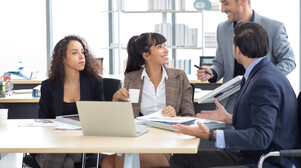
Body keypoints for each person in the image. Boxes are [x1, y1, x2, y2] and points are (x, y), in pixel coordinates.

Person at [170, 22, 301, 168]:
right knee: (181, 159)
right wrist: (229, 118)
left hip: (266, 160)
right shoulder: (260, 72)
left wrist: (210, 134)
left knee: (182, 161)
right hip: (253, 154)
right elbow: (263, 120)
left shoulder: (264, 82)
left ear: (237, 50)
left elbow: (261, 137)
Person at [197, 0, 296, 112]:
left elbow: (289, 61)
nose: (222, 9)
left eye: (226, 3)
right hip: (230, 101)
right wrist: (212, 72)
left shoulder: (274, 27)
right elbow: (220, 63)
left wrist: (264, 79)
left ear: (243, 0)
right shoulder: (222, 28)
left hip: (261, 96)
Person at [102, 32, 195, 168]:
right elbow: (122, 122)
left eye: (165, 45)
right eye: (159, 47)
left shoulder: (179, 77)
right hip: (140, 139)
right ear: (146, 55)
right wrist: (115, 101)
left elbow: (190, 117)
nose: (166, 50)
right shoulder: (132, 79)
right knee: (108, 162)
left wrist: (175, 117)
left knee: (116, 161)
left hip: (169, 142)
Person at [36, 35, 104, 168]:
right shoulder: (49, 86)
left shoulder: (95, 83)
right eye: (75, 52)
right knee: (67, 163)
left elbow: (99, 119)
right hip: (55, 140)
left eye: (82, 52)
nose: (81, 56)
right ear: (63, 58)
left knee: (58, 152)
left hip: (83, 143)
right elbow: (43, 120)